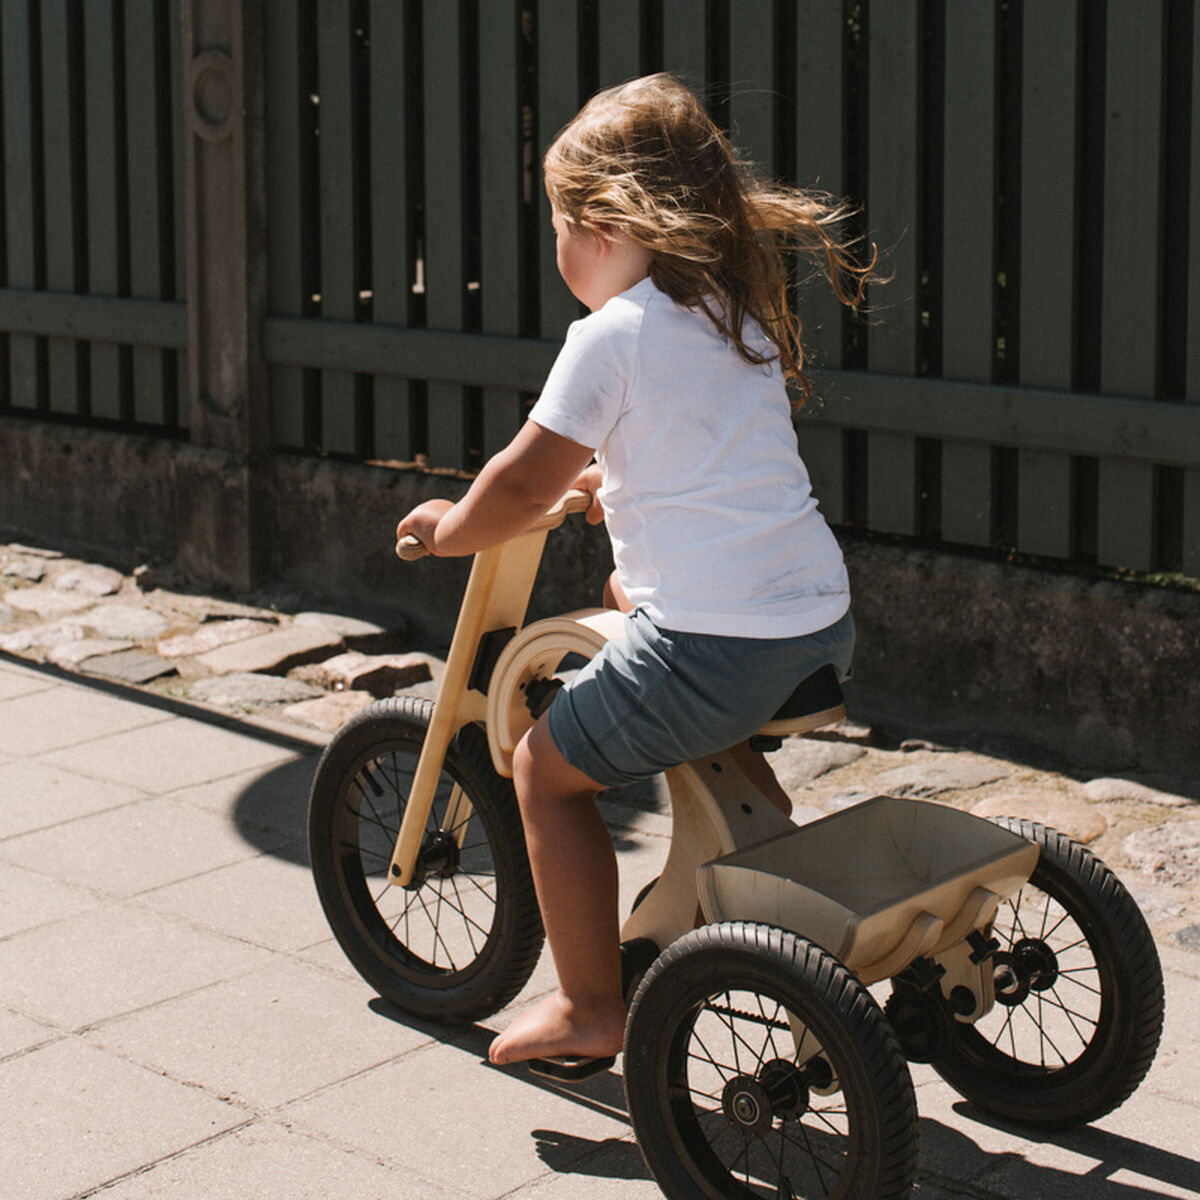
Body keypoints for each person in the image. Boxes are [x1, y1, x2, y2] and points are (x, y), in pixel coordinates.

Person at [395, 73, 879, 1069]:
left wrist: (450, 532)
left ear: (607, 226)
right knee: (627, 596)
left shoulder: (610, 336)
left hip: (715, 649)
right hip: (816, 623)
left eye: (561, 228)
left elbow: (521, 481)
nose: (559, 251)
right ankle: (749, 809)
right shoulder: (728, 312)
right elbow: (693, 461)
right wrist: (602, 485)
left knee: (545, 772)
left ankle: (588, 1005)